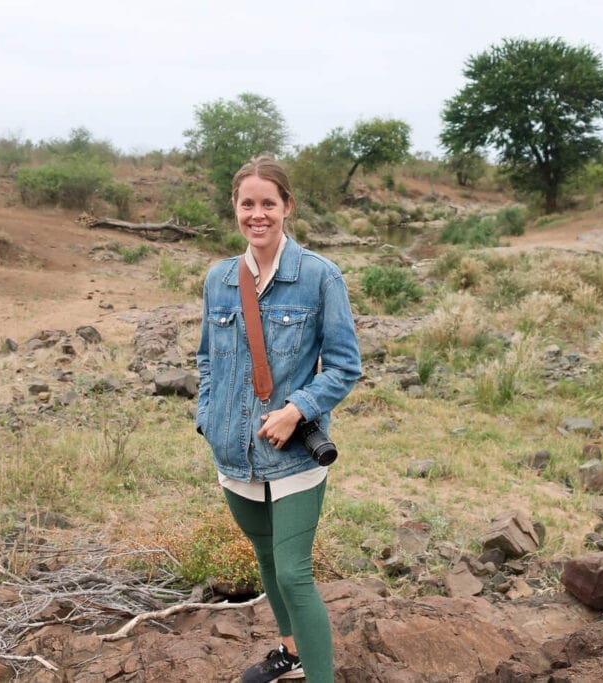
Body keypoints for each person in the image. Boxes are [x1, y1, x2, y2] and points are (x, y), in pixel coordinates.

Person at [195, 156, 361, 682]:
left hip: (293, 456)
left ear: (287, 207)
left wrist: (296, 411)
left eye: (269, 203)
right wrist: (208, 417)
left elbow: (344, 366)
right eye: (249, 204)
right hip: (233, 453)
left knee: (293, 573)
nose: (258, 214)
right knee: (266, 560)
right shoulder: (219, 279)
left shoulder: (318, 276)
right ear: (236, 208)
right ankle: (290, 653)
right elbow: (206, 360)